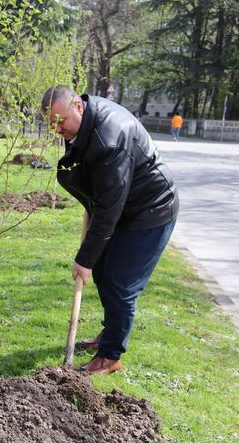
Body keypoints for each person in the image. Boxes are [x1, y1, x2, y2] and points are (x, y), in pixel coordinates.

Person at [41, 85, 179, 375]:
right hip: (123, 206)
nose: (58, 130)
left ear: (78, 107)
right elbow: (102, 195)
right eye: (52, 124)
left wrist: (84, 260)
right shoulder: (87, 120)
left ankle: (110, 356)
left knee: (120, 283)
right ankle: (111, 331)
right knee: (104, 271)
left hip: (151, 209)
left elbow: (109, 210)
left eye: (61, 122)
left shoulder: (110, 139)